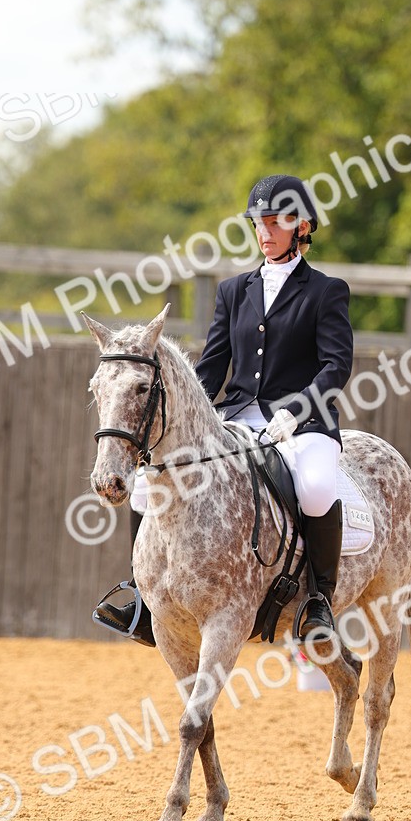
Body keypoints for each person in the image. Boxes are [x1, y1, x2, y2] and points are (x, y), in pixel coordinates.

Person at [94, 174, 354, 647]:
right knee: (143, 490)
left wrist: (297, 410)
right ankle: (141, 593)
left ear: (302, 226)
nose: (265, 232)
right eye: (259, 222)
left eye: (276, 222)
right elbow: (210, 370)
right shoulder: (234, 290)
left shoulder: (326, 291)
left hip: (301, 421)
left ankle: (319, 600)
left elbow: (337, 365)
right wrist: (182, 416)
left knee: (316, 488)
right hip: (235, 416)